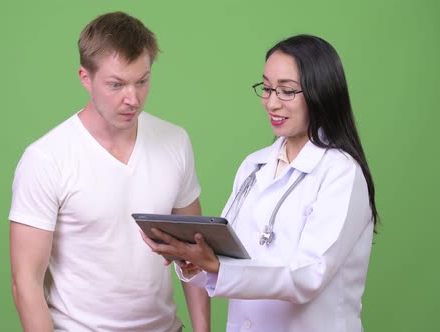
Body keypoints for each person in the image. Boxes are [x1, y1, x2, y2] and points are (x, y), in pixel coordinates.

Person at [142, 34, 379, 332]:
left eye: (287, 91)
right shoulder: (254, 166)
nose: (271, 102)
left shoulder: (341, 173)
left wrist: (217, 266)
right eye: (266, 88)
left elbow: (309, 276)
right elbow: (231, 257)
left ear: (322, 93)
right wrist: (194, 261)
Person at [8, 11, 210, 332]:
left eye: (142, 81)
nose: (132, 98)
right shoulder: (46, 159)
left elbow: (196, 254)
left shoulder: (175, 141)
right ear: (85, 77)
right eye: (116, 85)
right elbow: (26, 283)